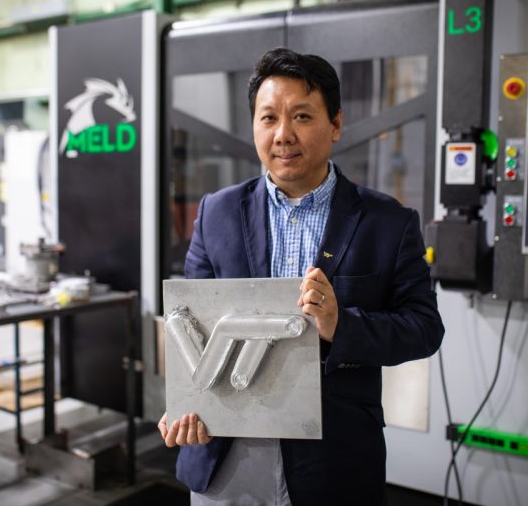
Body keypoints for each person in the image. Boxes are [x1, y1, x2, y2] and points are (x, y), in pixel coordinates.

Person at [158, 47, 444, 505]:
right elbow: (187, 323)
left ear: (335, 124)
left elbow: (425, 330)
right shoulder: (218, 213)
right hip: (227, 454)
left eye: (302, 117)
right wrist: (185, 404)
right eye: (268, 118)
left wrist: (339, 325)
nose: (283, 134)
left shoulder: (387, 222)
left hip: (334, 459)